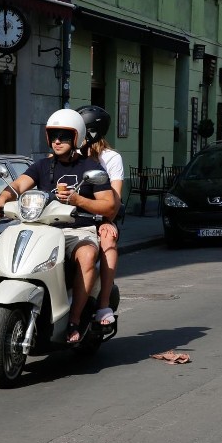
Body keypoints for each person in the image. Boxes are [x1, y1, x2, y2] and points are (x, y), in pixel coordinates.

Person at [0, 109, 117, 343]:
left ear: (76, 138)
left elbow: (110, 206)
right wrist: (0, 200)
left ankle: (74, 320)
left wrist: (79, 201)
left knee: (88, 256)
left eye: (64, 136)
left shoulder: (90, 168)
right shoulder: (41, 166)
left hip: (78, 230)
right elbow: (18, 185)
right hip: (42, 227)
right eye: (53, 135)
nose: (57, 141)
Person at [77, 105, 122, 327]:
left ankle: (103, 305)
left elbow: (114, 199)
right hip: (67, 217)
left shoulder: (110, 158)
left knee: (107, 239)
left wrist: (107, 220)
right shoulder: (67, 152)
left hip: (97, 218)